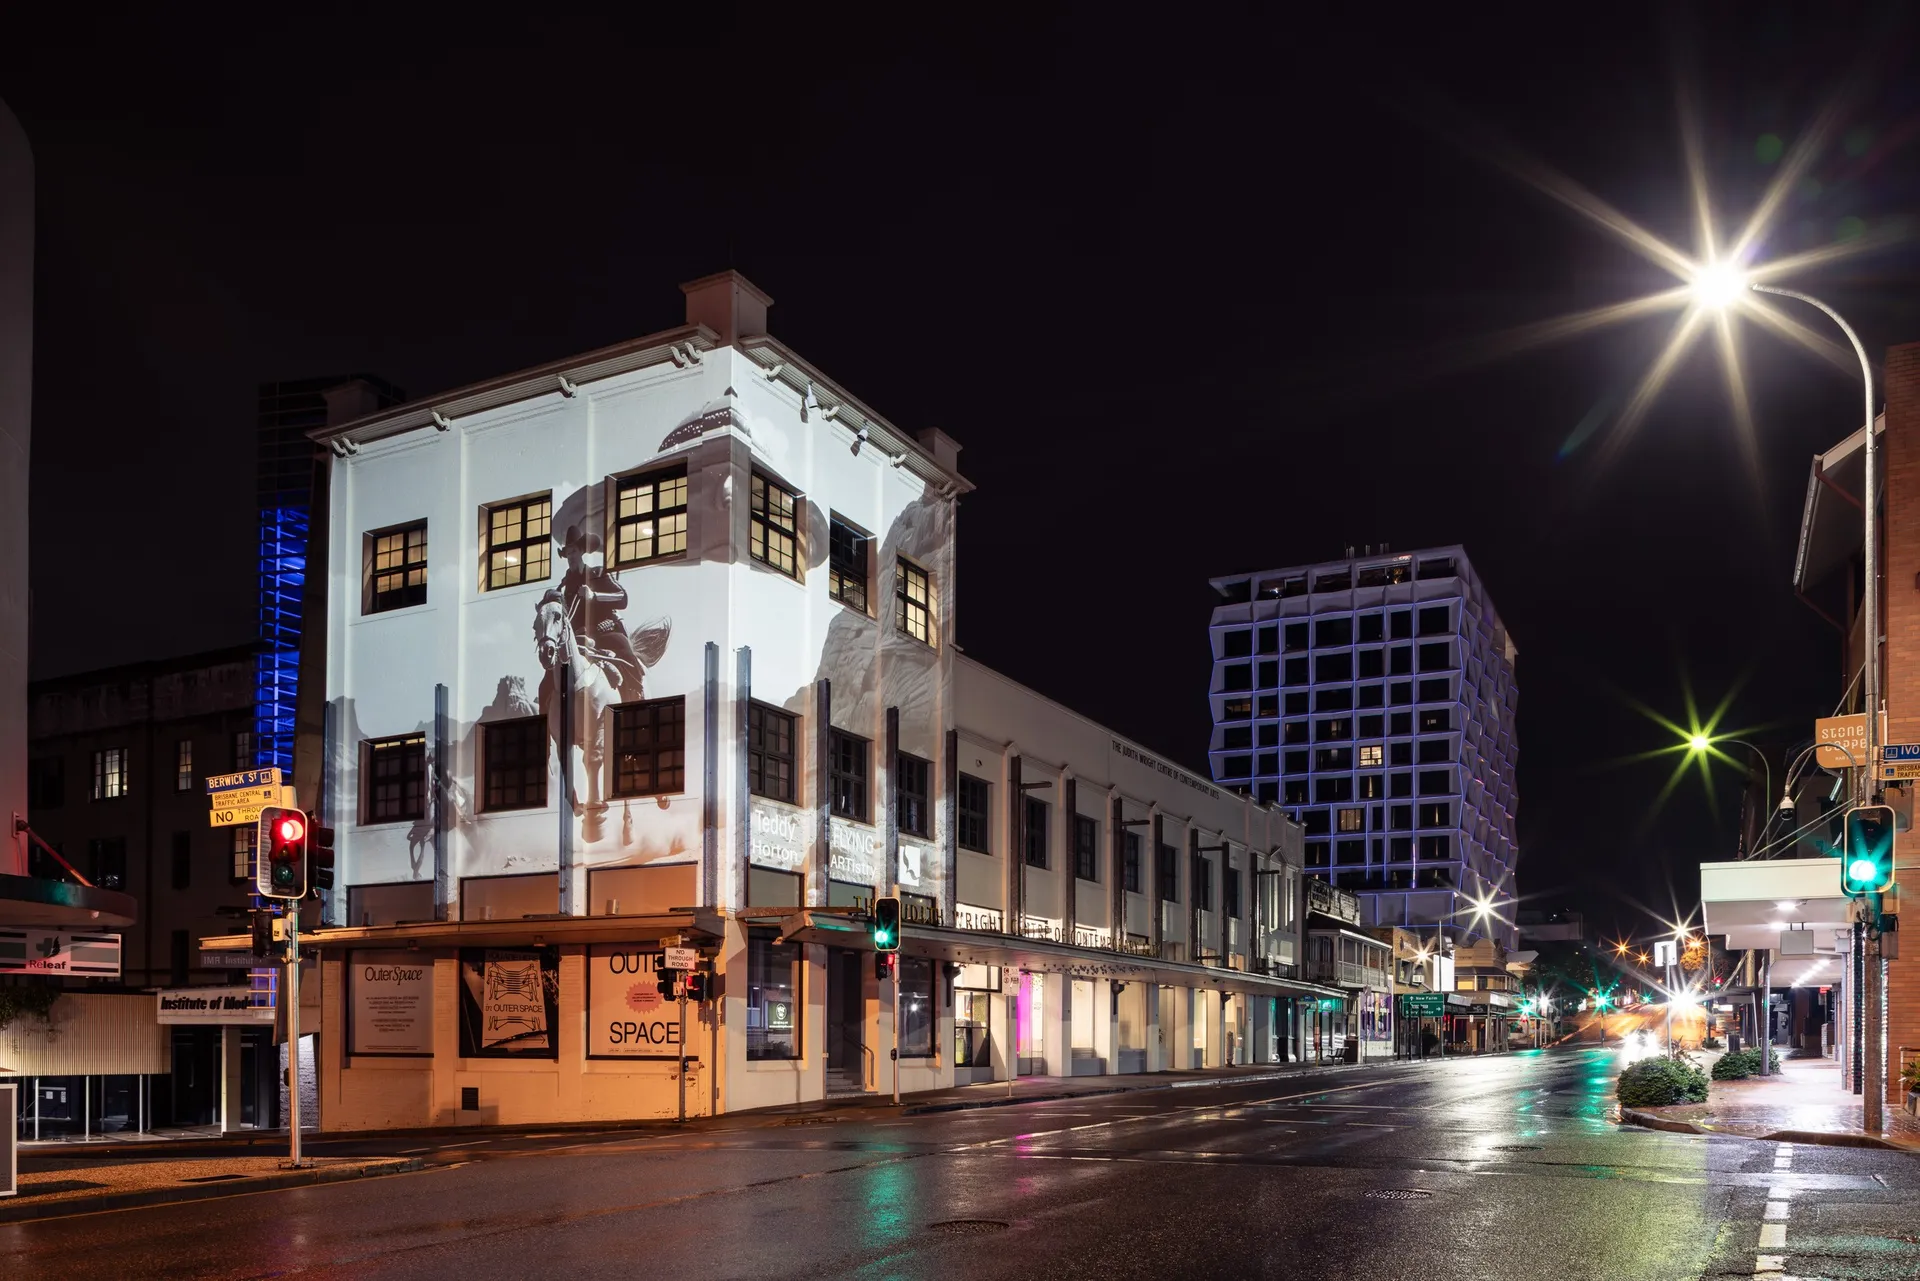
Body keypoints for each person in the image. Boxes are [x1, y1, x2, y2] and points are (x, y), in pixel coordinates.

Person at [557, 525, 641, 690]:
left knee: (626, 653)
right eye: (567, 554)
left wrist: (594, 596)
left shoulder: (598, 573)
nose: (570, 557)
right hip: (580, 639)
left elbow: (622, 598)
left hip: (606, 632)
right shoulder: (565, 587)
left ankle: (637, 691)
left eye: (573, 552)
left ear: (581, 551)